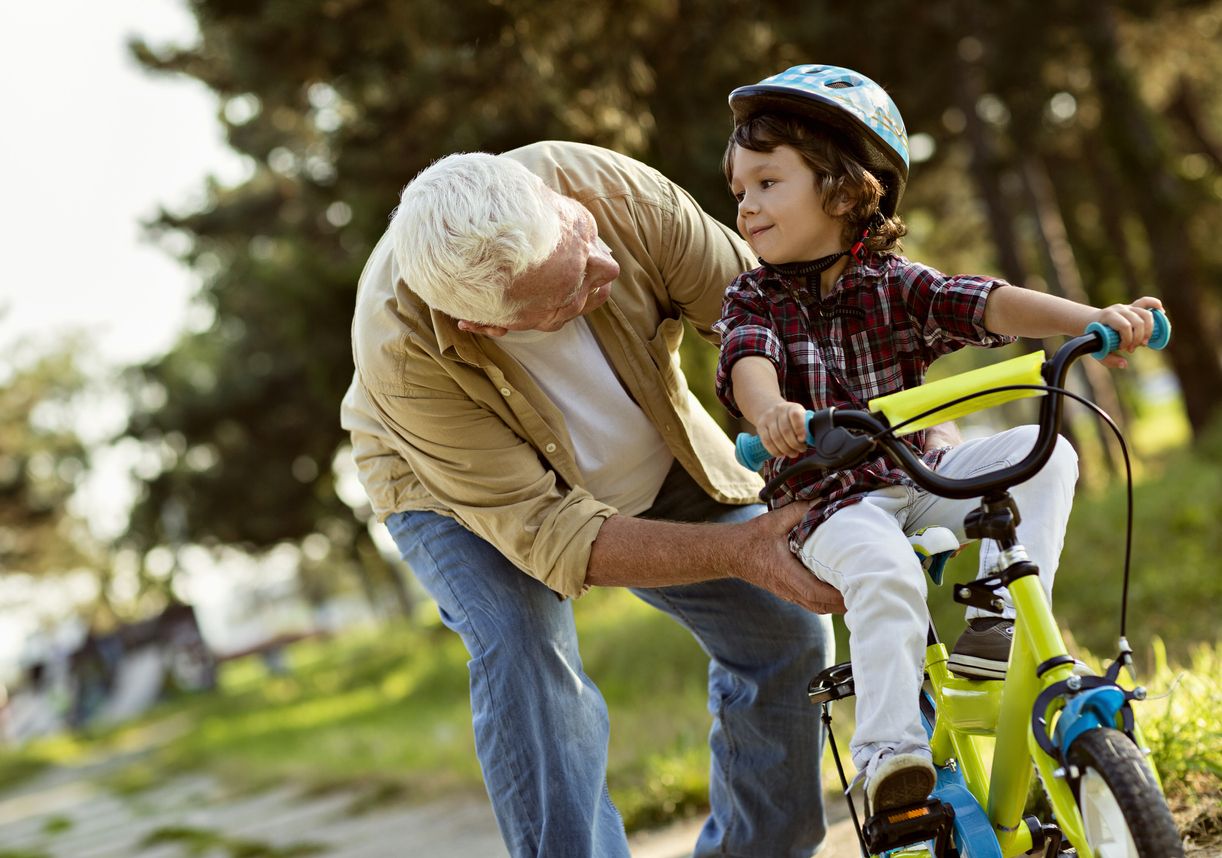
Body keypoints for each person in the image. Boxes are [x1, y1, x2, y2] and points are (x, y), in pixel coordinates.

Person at [340, 140, 850, 858]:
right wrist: (741, 548)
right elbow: (559, 536)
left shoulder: (612, 196)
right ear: (485, 325)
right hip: (453, 490)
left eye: (580, 239)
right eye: (572, 292)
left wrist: (895, 422)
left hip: (641, 437)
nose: (605, 268)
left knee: (785, 631)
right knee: (524, 653)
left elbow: (780, 323)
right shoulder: (399, 352)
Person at [714, 64, 1163, 814]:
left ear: (843, 188)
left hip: (924, 475)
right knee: (885, 575)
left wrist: (1095, 316)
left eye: (766, 183)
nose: (746, 208)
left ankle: (996, 618)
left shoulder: (894, 283)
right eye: (738, 192)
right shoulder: (753, 294)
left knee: (1045, 451)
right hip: (832, 506)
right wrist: (769, 413)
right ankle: (891, 758)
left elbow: (984, 303)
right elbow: (747, 359)